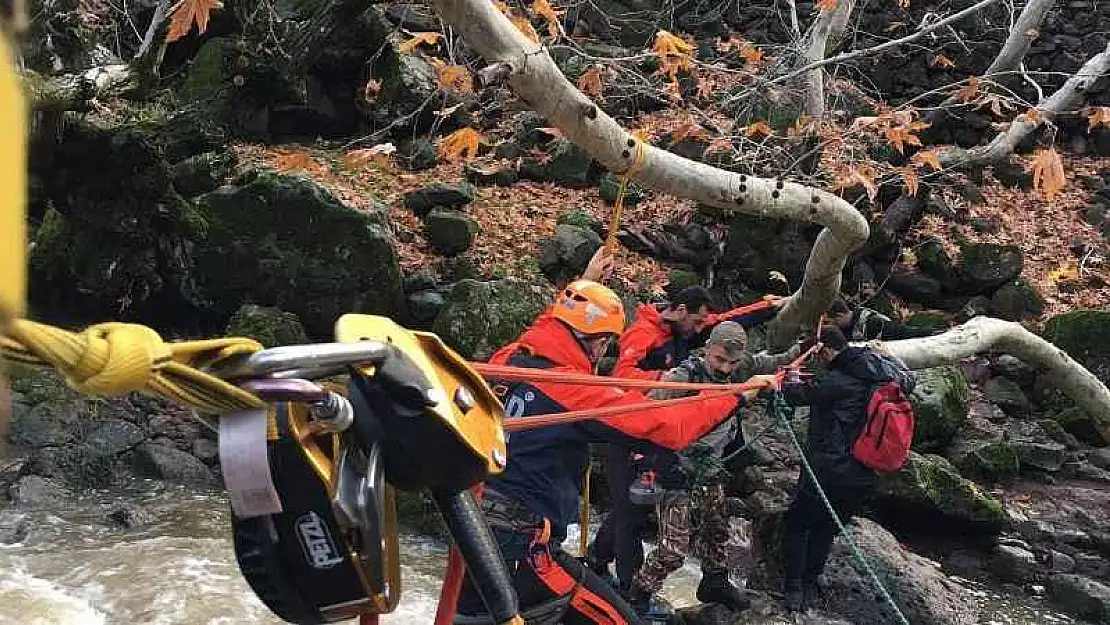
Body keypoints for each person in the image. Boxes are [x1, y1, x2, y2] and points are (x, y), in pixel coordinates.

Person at [454, 280, 775, 624]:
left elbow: (545, 326)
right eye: (604, 342)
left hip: (468, 529)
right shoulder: (573, 390)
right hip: (520, 542)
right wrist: (736, 397)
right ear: (593, 341)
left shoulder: (511, 360)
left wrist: (585, 280)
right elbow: (663, 426)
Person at [589, 288, 783, 593]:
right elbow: (626, 379)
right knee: (631, 514)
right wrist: (672, 383)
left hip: (694, 455)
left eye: (731, 364)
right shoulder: (648, 337)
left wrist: (769, 308)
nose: (724, 369)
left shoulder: (687, 332)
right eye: (698, 321)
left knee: (709, 525)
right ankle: (629, 588)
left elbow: (726, 323)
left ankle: (601, 558)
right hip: (644, 439)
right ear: (681, 311)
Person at [625, 321, 799, 615]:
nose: (725, 368)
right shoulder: (684, 378)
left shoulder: (742, 369)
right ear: (707, 349)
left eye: (732, 363)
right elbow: (648, 407)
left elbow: (775, 361)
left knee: (716, 530)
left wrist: (805, 349)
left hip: (710, 469)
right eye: (719, 359)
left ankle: (714, 581)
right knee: (674, 551)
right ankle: (638, 595)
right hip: (676, 469)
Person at [778, 326, 915, 612]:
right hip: (867, 471)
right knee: (828, 526)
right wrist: (885, 353)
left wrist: (790, 373)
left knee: (797, 523)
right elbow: (910, 378)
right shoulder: (884, 368)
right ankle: (812, 582)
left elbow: (794, 394)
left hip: (829, 469)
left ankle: (793, 587)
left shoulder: (837, 380)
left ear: (824, 350)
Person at [827, 297, 940, 342]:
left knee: (914, 332)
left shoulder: (870, 321)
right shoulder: (855, 320)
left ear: (840, 315)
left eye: (835, 322)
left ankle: (935, 331)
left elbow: (901, 332)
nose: (836, 326)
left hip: (896, 337)